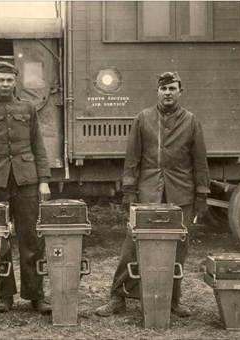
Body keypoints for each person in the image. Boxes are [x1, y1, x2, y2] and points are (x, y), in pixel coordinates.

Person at [95, 71, 210, 318]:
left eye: (172, 88)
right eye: (163, 89)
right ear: (157, 91)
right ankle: (118, 297)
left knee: (179, 247)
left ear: (181, 91)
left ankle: (173, 300)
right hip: (148, 192)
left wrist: (201, 194)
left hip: (181, 195)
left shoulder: (191, 121)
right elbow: (132, 158)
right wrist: (129, 190)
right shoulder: (143, 118)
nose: (168, 93)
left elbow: (200, 161)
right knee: (132, 244)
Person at [0, 61, 52, 314]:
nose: (5, 84)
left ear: (15, 82)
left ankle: (35, 295)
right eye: (1, 80)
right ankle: (4, 296)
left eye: (9, 80)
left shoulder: (28, 108)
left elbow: (38, 145)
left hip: (26, 181)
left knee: (31, 239)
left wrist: (44, 180)